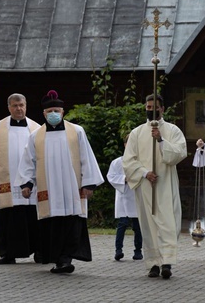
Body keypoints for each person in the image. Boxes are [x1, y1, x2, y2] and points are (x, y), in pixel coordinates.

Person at [17, 90, 104, 274]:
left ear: (63, 112)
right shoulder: (35, 136)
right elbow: (28, 162)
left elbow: (86, 158)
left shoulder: (76, 132)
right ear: (44, 114)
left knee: (72, 223)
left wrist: (88, 184)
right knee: (52, 225)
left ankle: (66, 259)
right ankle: (58, 260)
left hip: (72, 187)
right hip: (49, 189)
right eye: (50, 112)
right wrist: (27, 183)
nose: (53, 114)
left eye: (56, 110)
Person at [122, 94, 187, 279]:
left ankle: (166, 262)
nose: (150, 110)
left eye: (154, 107)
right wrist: (144, 173)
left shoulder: (173, 131)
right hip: (146, 186)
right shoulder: (136, 133)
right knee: (149, 225)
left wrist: (160, 140)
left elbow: (179, 154)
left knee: (168, 223)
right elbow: (128, 161)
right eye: (148, 106)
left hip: (166, 184)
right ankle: (153, 264)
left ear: (162, 109)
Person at [0, 93, 42, 264]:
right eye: (15, 105)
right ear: (9, 107)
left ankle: (39, 251)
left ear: (26, 105)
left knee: (33, 216)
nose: (18, 108)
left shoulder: (36, 128)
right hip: (7, 181)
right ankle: (8, 253)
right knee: (8, 216)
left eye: (21, 105)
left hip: (31, 182)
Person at [107, 133, 142, 261]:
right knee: (122, 224)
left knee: (137, 226)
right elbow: (111, 176)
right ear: (125, 144)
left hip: (136, 196)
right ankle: (118, 250)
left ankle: (138, 251)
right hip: (123, 196)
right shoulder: (117, 162)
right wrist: (124, 179)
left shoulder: (140, 162)